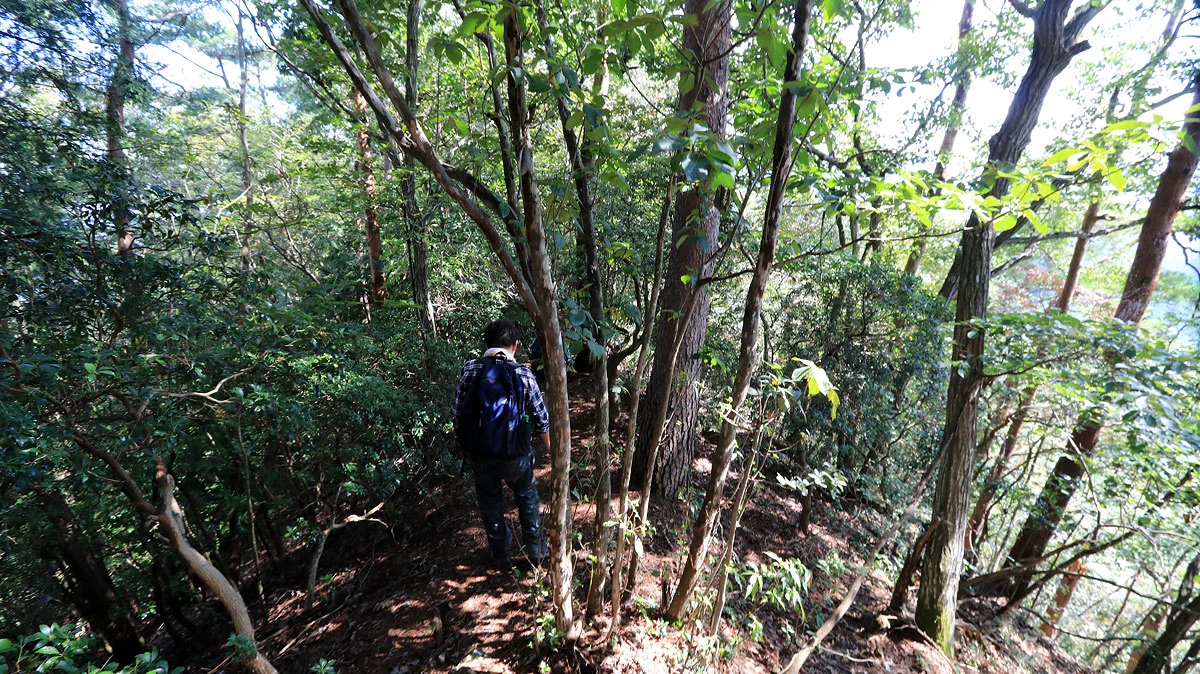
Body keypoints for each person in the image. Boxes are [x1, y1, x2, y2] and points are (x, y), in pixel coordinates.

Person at [453, 319, 549, 567]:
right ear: (515, 346)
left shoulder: (471, 368)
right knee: (527, 495)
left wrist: (469, 443)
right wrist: (555, 452)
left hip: (481, 453)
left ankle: (500, 553)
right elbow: (541, 419)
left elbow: (457, 414)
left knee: (489, 499)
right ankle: (536, 549)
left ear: (486, 343)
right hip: (516, 454)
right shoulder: (523, 373)